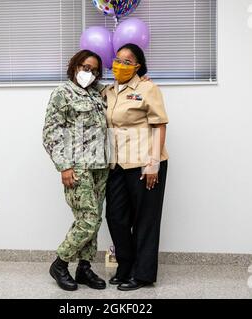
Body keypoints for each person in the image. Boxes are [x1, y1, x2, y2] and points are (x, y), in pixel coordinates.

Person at [42, 50, 109, 291]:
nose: (88, 72)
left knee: (94, 219)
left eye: (94, 69)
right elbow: (51, 133)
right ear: (74, 66)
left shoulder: (97, 94)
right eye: (84, 67)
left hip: (101, 166)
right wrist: (64, 166)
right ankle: (59, 264)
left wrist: (142, 78)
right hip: (77, 166)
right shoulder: (62, 93)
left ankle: (84, 268)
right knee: (88, 219)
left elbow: (122, 94)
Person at [104, 43, 169, 291]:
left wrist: (153, 164)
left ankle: (142, 275)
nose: (120, 65)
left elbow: (159, 125)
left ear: (138, 66)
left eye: (127, 61)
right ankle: (125, 266)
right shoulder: (108, 91)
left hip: (145, 163)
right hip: (117, 163)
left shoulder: (147, 88)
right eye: (117, 60)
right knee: (116, 217)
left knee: (145, 220)